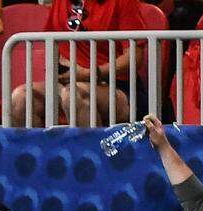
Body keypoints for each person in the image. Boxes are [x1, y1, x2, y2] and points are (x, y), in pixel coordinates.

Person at [9, 0, 146, 128]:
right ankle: (41, 153)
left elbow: (134, 57)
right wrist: (55, 69)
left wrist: (90, 74)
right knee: (20, 98)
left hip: (117, 86)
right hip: (70, 81)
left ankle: (91, 153)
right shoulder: (62, 2)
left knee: (74, 95)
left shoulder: (126, 2)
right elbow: (52, 41)